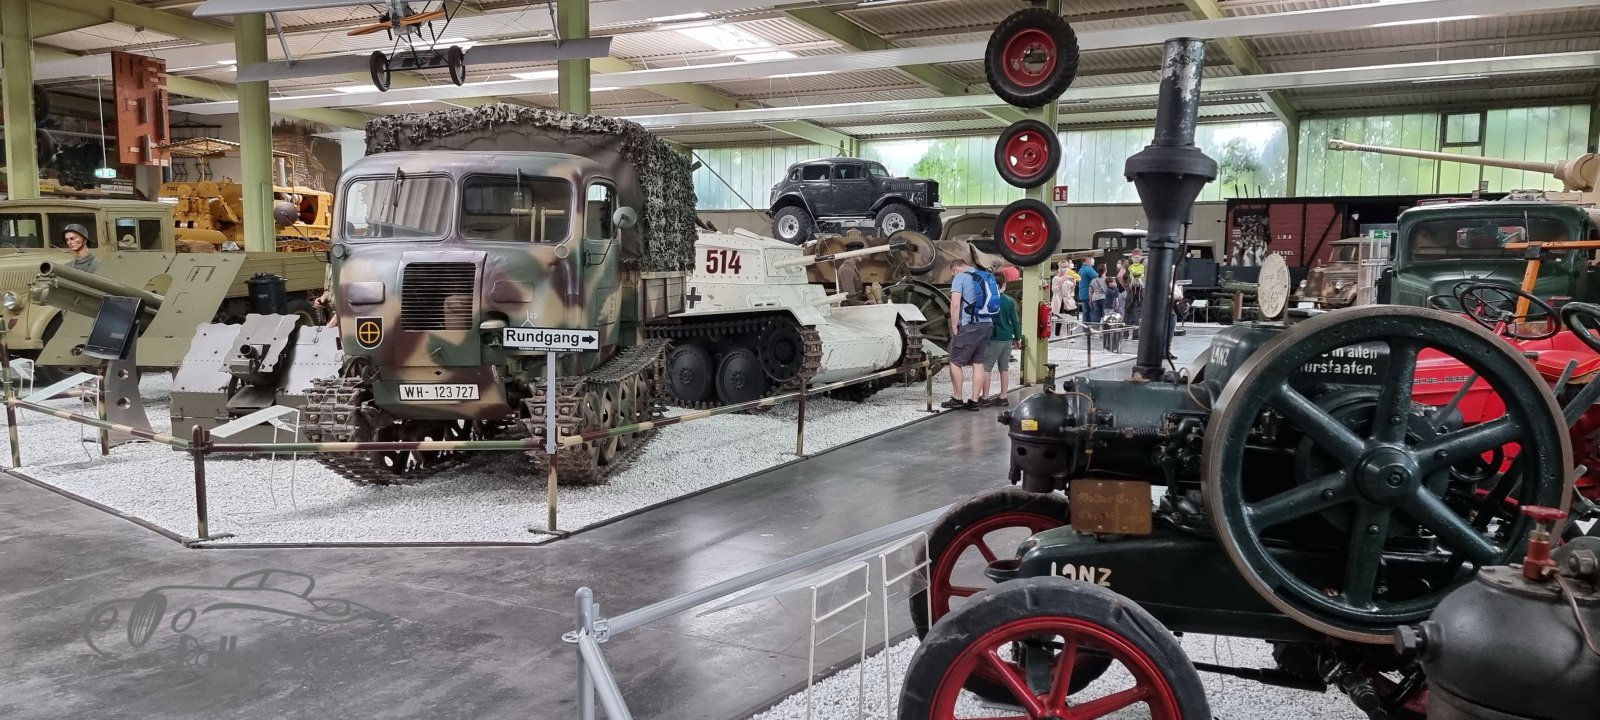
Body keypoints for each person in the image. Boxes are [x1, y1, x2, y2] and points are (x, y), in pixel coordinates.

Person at [943, 257, 994, 411]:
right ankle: (974, 401)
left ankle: (958, 398)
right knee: (978, 363)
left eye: (953, 273)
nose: (954, 275)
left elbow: (955, 304)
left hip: (970, 325)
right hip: (987, 323)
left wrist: (954, 325)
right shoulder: (984, 276)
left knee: (955, 361)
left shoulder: (960, 278)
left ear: (956, 269)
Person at [983, 289, 1021, 406]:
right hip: (1007, 337)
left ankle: (985, 397)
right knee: (1004, 368)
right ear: (1004, 285)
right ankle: (1003, 396)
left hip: (994, 337)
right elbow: (1015, 320)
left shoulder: (989, 299)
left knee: (986, 368)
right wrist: (1017, 337)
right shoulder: (1009, 301)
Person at [1076, 257, 1099, 323]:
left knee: (1086, 312)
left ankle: (1085, 327)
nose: (1092, 259)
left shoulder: (1081, 269)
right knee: (1092, 312)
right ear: (1087, 260)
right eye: (1090, 258)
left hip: (1083, 293)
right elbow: (1098, 278)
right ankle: (1092, 327)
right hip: (1089, 294)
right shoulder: (1089, 269)